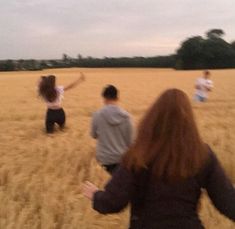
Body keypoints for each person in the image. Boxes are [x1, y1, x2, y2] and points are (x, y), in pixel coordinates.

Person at [83, 88, 235, 229]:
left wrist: (96, 196)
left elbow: (113, 202)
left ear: (153, 118)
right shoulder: (202, 154)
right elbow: (228, 201)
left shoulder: (138, 154)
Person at [91, 85, 133, 174]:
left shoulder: (97, 115)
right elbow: (130, 141)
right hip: (122, 159)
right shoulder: (127, 117)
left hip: (104, 159)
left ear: (104, 97)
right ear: (117, 98)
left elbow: (93, 135)